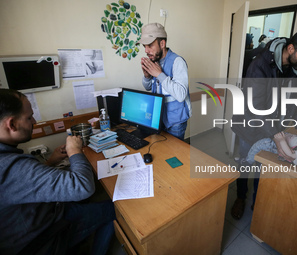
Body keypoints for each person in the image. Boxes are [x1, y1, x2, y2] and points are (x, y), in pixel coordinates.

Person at [0, 89, 116, 255]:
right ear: (12, 124)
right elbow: (83, 187)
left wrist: (51, 161)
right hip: (41, 236)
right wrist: (75, 150)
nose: (34, 121)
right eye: (28, 117)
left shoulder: (8, 159)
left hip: (39, 214)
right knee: (114, 209)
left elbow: (25, 184)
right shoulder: (9, 167)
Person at [231, 28, 297, 220]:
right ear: (290, 48)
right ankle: (240, 197)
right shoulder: (259, 66)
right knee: (247, 162)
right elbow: (255, 108)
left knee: (265, 167)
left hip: (272, 126)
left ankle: (259, 203)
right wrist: (278, 136)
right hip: (250, 125)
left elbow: (295, 97)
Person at [138, 23, 192, 140]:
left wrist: (159, 74)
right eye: (144, 46)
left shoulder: (177, 62)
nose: (146, 50)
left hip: (175, 123)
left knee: (174, 156)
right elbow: (148, 87)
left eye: (150, 45)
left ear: (162, 44)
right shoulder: (154, 60)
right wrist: (147, 76)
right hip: (158, 118)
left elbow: (181, 95)